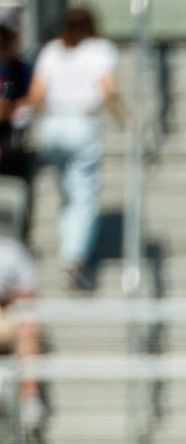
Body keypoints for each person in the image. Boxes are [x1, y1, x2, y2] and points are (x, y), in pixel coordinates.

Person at [29, 7, 117, 289]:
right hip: (81, 123)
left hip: (53, 125)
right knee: (83, 196)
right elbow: (106, 91)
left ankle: (70, 248)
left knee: (67, 193)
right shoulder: (100, 49)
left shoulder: (52, 51)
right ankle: (74, 257)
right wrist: (123, 115)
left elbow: (37, 95)